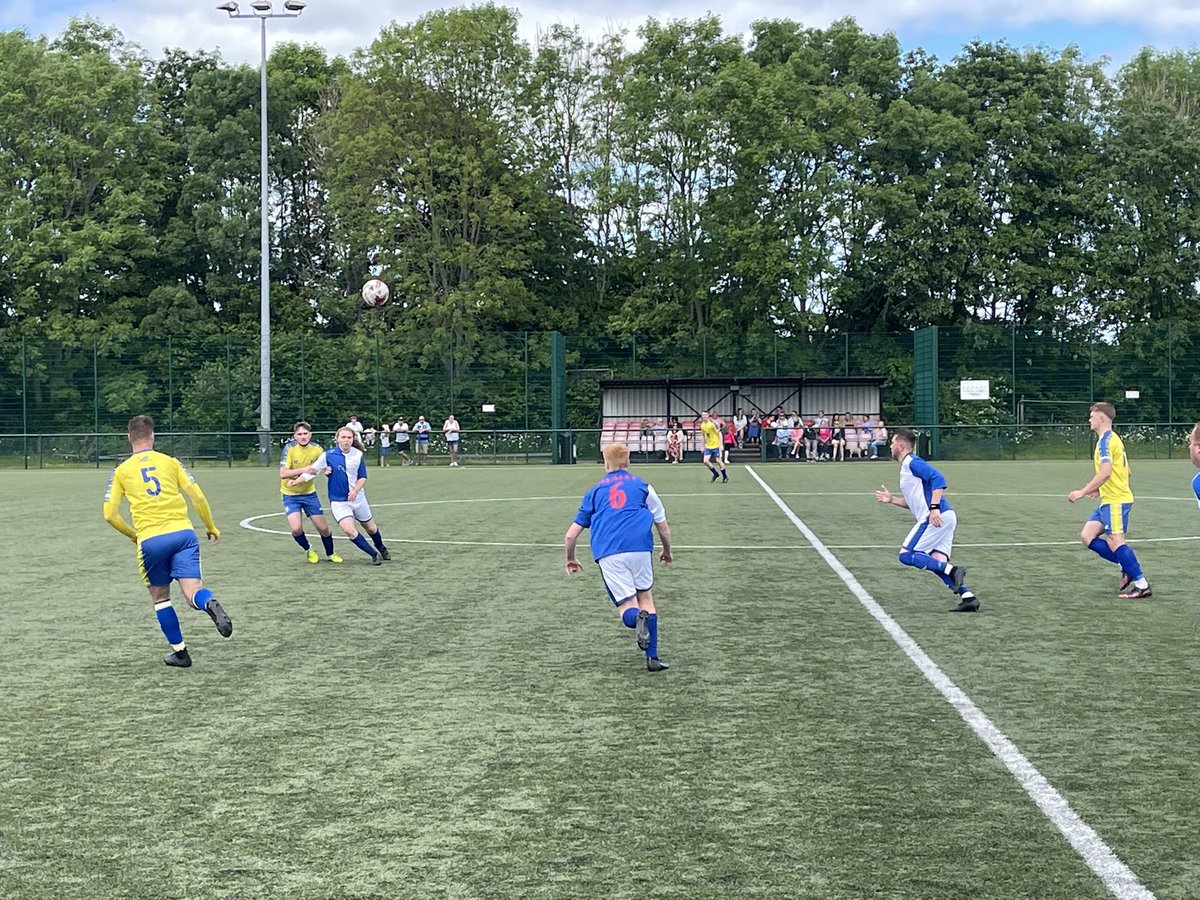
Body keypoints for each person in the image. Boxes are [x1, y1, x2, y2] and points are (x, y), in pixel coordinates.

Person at [102, 415, 233, 667]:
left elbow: (109, 514)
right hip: (183, 534)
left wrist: (134, 535)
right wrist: (210, 526)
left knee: (161, 598)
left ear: (129, 438)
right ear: (153, 436)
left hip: (151, 540)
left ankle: (180, 653)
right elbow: (197, 497)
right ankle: (209, 602)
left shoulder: (121, 471)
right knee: (193, 591)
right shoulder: (171, 462)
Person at [564, 442, 673, 672]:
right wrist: (666, 551)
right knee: (646, 598)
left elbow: (571, 535)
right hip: (640, 549)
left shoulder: (595, 491)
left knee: (627, 606)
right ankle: (652, 658)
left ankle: (637, 619)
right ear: (628, 462)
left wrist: (570, 558)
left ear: (605, 464)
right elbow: (663, 526)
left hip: (609, 551)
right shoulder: (643, 486)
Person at [874, 427, 978, 612]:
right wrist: (892, 500)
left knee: (906, 555)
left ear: (901, 445)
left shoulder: (912, 462)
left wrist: (934, 508)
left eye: (892, 443)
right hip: (945, 516)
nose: (890, 446)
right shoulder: (907, 466)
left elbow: (938, 478)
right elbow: (914, 503)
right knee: (936, 560)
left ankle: (953, 571)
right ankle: (968, 597)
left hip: (936, 516)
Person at [1067, 402, 1151, 598]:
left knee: (1115, 541)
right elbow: (1127, 471)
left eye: (1092, 416)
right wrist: (1099, 488)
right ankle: (1127, 566)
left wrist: (1083, 491)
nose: (1089, 419)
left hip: (1116, 500)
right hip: (1109, 499)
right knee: (1087, 536)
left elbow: (1106, 471)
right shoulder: (1112, 439)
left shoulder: (1106, 441)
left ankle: (1141, 584)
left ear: (1101, 418)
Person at [288, 427, 390, 566]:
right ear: (337, 439)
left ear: (353, 439)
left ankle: (381, 547)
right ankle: (373, 554)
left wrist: (355, 491)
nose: (346, 440)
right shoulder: (328, 455)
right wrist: (296, 481)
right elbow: (312, 471)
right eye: (343, 437)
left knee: (371, 528)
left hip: (358, 499)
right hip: (339, 502)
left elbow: (362, 477)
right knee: (349, 531)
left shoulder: (357, 454)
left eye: (349, 437)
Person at [278, 421, 343, 565]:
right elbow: (283, 473)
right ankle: (308, 549)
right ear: (295, 436)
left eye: (305, 433)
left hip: (309, 494)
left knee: (323, 528)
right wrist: (305, 469)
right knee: (296, 529)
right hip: (290, 495)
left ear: (310, 434)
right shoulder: (289, 448)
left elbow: (325, 465)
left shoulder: (317, 449)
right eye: (299, 434)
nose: (303, 437)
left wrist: (326, 470)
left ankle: (331, 553)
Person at [698, 410, 728, 483]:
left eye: (705, 415)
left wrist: (721, 444)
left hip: (716, 445)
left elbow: (719, 434)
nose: (704, 416)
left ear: (708, 416)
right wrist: (702, 446)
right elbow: (703, 436)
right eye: (703, 415)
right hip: (708, 446)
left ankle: (725, 476)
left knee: (718, 461)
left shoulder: (712, 424)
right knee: (705, 461)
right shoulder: (702, 425)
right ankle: (715, 474)